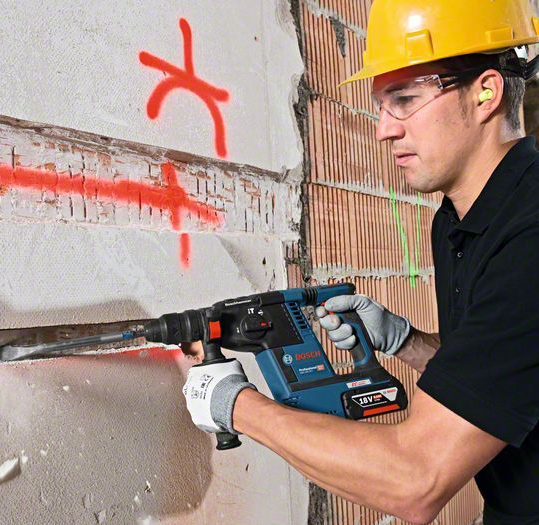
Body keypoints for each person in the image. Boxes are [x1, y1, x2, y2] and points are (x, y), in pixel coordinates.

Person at [181, 1, 539, 523]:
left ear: (486, 92)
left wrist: (233, 404)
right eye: (380, 105)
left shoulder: (529, 235)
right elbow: (502, 377)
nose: (383, 130)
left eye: (405, 100)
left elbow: (415, 479)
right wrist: (407, 342)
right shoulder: (457, 221)